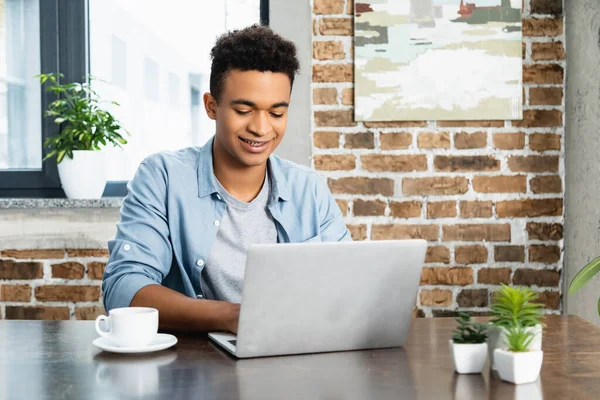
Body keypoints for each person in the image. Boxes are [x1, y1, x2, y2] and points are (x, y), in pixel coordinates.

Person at [102, 25, 351, 334]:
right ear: (212, 106)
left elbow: (348, 286)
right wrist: (232, 317)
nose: (261, 128)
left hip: (290, 359)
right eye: (244, 110)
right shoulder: (162, 177)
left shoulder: (309, 190)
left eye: (276, 113)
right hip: (190, 366)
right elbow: (124, 289)